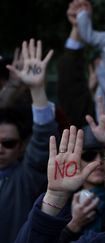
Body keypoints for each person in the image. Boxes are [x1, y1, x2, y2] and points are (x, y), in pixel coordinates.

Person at [0, 39, 57, 243]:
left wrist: (37, 90)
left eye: (8, 143)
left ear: (21, 146)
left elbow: (43, 139)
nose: (0, 149)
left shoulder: (25, 178)